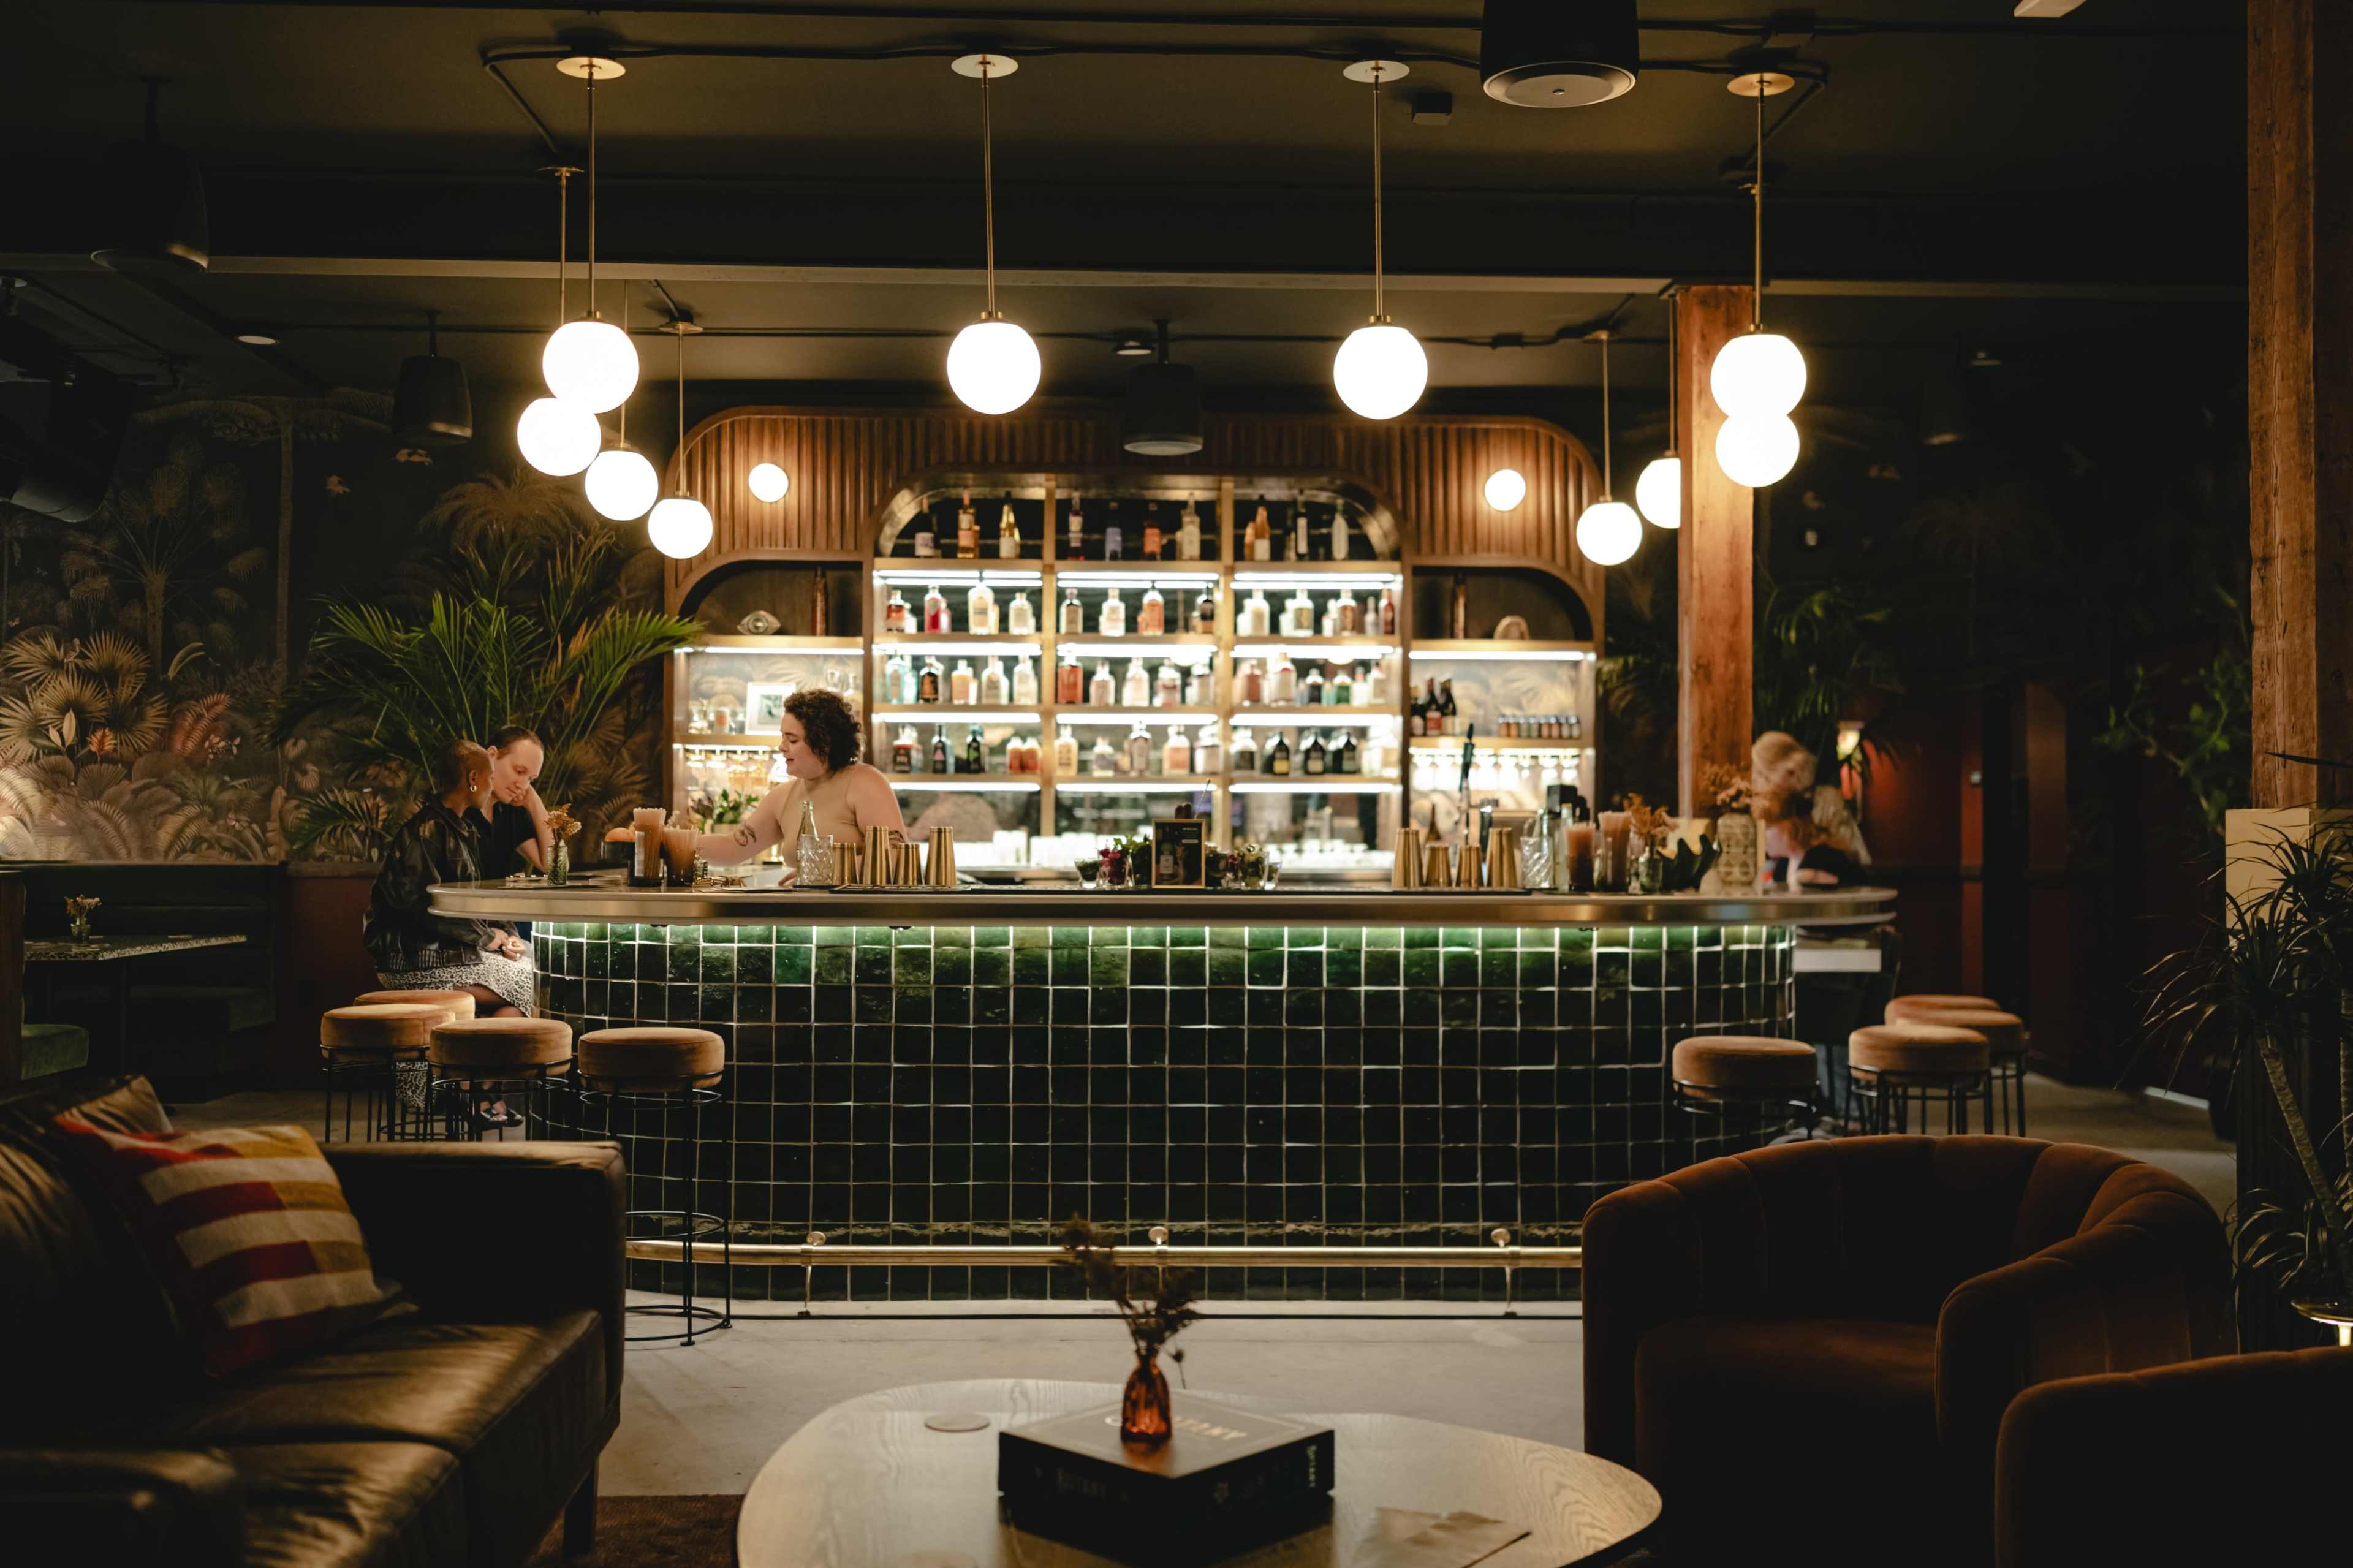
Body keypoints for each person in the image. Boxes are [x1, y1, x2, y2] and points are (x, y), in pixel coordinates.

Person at [365, 738, 534, 1017]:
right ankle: (460, 1055)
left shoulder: (461, 830)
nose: (492, 786)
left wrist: (507, 936)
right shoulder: (427, 831)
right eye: (490, 778)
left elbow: (473, 898)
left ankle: (469, 1054)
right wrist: (488, 936)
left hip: (448, 952)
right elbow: (421, 907)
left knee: (528, 966)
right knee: (533, 984)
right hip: (414, 960)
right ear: (473, 779)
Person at [699, 687, 901, 871]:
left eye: (792, 739)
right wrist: (676, 841)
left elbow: (895, 856)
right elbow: (733, 848)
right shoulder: (782, 796)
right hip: (800, 910)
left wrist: (821, 872)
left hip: (854, 911)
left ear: (824, 742)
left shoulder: (864, 782)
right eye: (783, 737)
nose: (782, 746)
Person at [1752, 730, 1870, 888]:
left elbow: (1854, 858)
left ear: (1791, 770)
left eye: (1765, 775)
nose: (1759, 783)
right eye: (1757, 776)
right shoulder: (1767, 807)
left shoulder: (1826, 800)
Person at [476, 725, 553, 941]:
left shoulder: (510, 813)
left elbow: (556, 868)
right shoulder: (458, 809)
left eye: (531, 779)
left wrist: (534, 802)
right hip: (465, 936)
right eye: (519, 771)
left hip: (502, 930)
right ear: (491, 756)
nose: (523, 785)